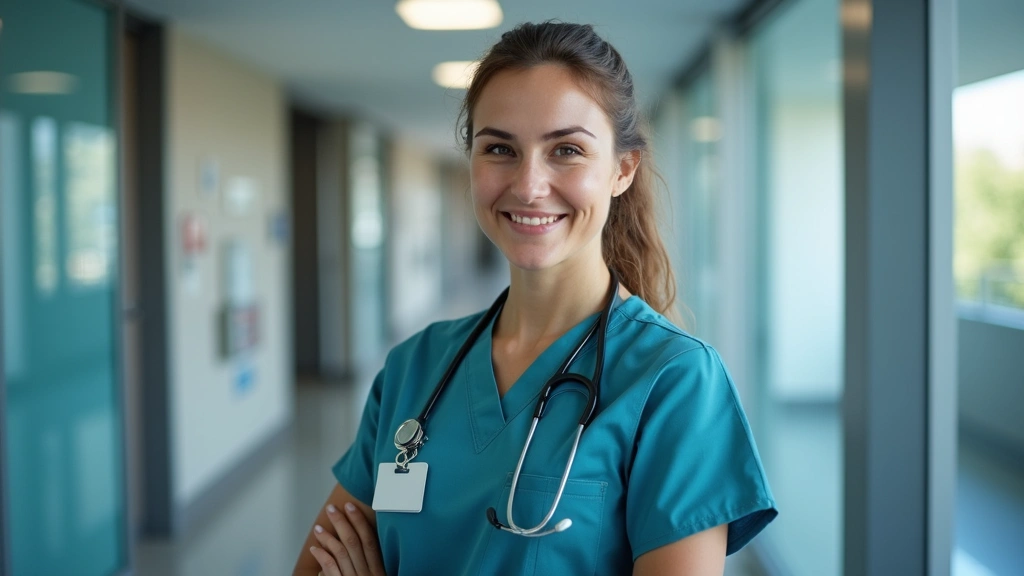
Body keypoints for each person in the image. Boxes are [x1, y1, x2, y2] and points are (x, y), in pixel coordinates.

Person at [293, 21, 777, 576]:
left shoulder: (674, 383)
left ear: (622, 169)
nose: (528, 186)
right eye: (499, 148)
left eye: (566, 150)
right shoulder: (415, 368)